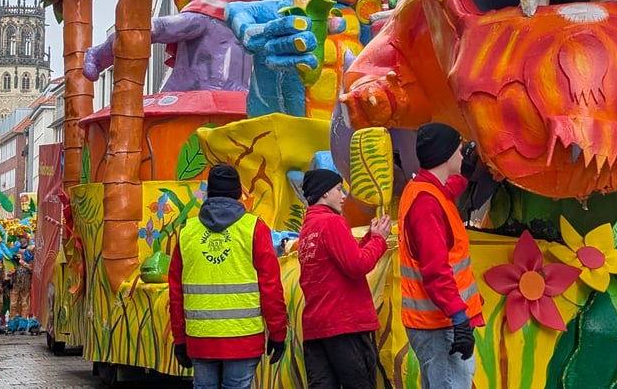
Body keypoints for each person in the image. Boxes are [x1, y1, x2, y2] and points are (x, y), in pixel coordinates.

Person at [168, 164, 287, 389]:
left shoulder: (187, 231)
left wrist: (180, 339)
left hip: (200, 338)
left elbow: (176, 292)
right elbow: (270, 286)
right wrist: (278, 332)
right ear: (238, 193)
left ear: (209, 192)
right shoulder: (254, 228)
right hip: (244, 338)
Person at [398, 123, 484, 389]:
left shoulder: (424, 189)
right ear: (446, 155)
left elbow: (448, 190)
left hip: (437, 322)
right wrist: (459, 319)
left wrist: (467, 169)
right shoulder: (427, 205)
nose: (461, 155)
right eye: (459, 150)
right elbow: (436, 271)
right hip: (440, 324)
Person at [298, 168, 390, 389]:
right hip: (344, 324)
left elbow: (341, 260)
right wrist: (379, 240)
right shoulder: (332, 222)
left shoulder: (308, 228)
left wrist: (369, 239)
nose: (343, 196)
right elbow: (357, 265)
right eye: (339, 189)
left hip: (316, 326)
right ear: (324, 193)